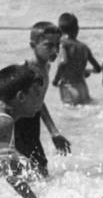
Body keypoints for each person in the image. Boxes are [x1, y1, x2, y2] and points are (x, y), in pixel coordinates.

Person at [0, 65, 44, 198]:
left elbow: (10, 172)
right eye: (37, 93)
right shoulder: (2, 123)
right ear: (21, 97)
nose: (41, 99)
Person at [16, 21, 71, 177]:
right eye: (49, 46)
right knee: (32, 169)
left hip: (32, 123)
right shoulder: (26, 70)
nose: (55, 50)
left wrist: (54, 132)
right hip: (19, 125)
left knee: (39, 169)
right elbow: (7, 102)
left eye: (57, 45)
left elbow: (38, 101)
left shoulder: (45, 67)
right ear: (33, 45)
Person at [52, 12, 103, 105]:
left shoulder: (63, 44)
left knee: (71, 116)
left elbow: (63, 63)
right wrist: (85, 71)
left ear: (59, 31)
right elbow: (97, 69)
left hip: (69, 87)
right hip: (83, 87)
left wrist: (56, 80)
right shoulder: (84, 47)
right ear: (77, 29)